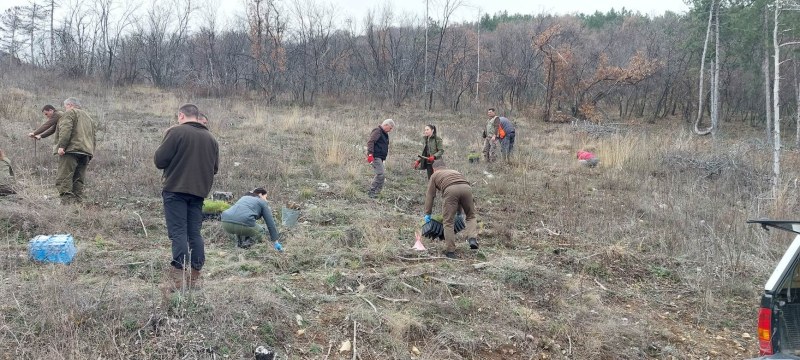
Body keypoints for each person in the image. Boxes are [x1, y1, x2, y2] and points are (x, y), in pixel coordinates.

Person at [154, 104, 219, 291]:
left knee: (178, 233)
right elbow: (214, 169)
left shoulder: (176, 132)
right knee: (194, 233)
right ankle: (195, 275)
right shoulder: (211, 139)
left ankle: (178, 279)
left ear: (181, 115)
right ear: (197, 116)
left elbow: (159, 160)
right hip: (198, 193)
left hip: (175, 190)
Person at [423, 161, 479, 259]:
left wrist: (428, 213)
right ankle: (472, 239)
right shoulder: (454, 171)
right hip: (467, 188)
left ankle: (450, 251)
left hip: (450, 190)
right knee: (471, 216)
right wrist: (459, 212)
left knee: (448, 222)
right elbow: (459, 188)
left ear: (434, 169)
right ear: (445, 167)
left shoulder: (435, 175)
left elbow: (430, 195)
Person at [54, 98, 96, 205]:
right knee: (78, 179)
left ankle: (67, 204)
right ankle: (77, 204)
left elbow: (66, 129)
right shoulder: (89, 118)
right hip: (86, 152)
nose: (65, 109)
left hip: (71, 151)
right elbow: (93, 137)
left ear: (70, 104)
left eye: (65, 106)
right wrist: (91, 152)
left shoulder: (70, 113)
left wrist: (62, 146)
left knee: (64, 177)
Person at [366, 119, 395, 198]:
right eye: (390, 128)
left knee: (381, 174)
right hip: (375, 156)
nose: (391, 130)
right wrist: (370, 155)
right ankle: (372, 192)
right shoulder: (377, 131)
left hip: (380, 157)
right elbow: (370, 142)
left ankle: (377, 193)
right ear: (386, 125)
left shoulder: (384, 133)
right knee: (380, 174)